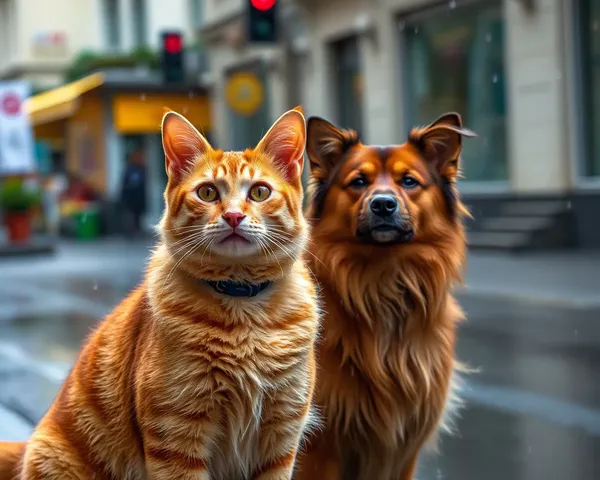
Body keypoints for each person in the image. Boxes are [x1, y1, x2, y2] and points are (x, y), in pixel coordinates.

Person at [120, 148, 147, 237]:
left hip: (138, 196)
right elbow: (125, 183)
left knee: (138, 214)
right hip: (130, 197)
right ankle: (130, 231)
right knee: (130, 215)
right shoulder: (129, 169)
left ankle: (137, 229)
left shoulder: (141, 169)